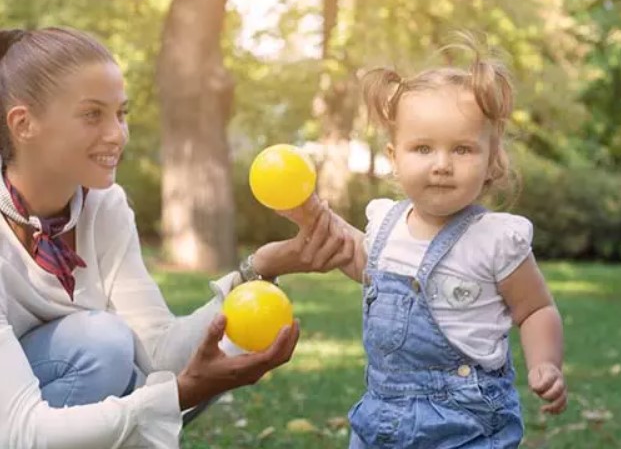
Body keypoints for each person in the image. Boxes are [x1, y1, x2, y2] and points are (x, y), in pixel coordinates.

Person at [0, 27, 353, 448]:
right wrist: (180, 395)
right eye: (93, 114)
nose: (117, 134)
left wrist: (259, 268)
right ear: (24, 124)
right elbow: (20, 433)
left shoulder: (103, 205)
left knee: (119, 345)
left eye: (121, 113)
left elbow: (159, 354)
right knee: (103, 345)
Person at [284, 35, 567, 448]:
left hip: (466, 423)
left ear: (492, 160)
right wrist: (314, 216)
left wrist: (546, 364)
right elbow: (365, 266)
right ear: (394, 157)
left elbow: (536, 308)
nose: (441, 165)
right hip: (382, 416)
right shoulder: (384, 223)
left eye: (463, 150)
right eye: (422, 148)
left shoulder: (494, 239)